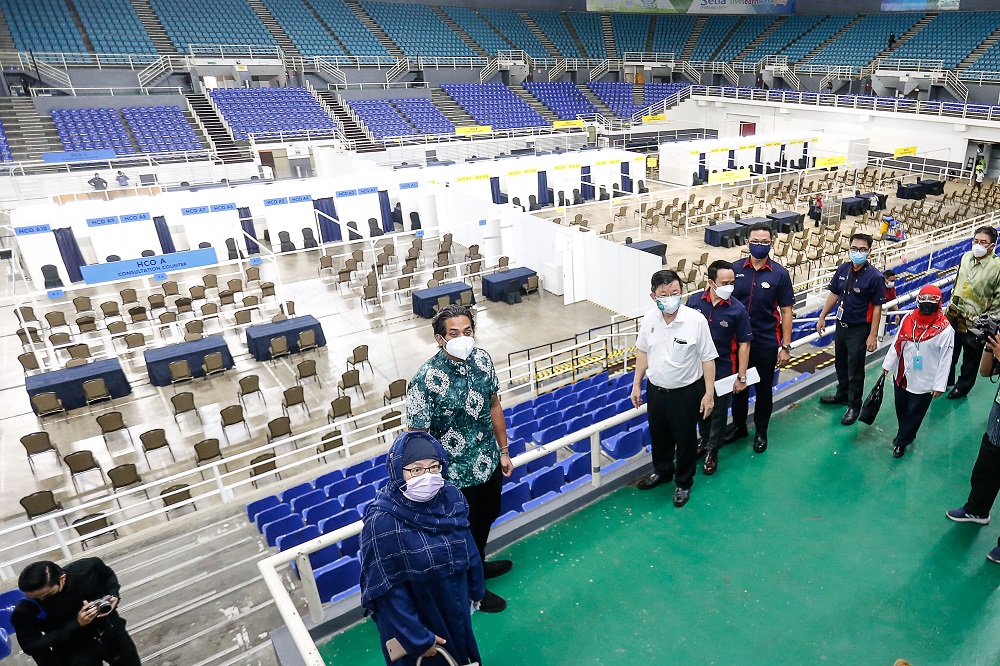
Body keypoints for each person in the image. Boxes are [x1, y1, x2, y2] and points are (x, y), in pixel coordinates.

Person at [406, 304, 512, 613]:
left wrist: (503, 451)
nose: (462, 338)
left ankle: (477, 564)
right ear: (440, 339)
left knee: (486, 517)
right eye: (454, 333)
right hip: (452, 477)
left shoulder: (482, 360)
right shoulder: (424, 379)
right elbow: (418, 438)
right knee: (459, 533)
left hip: (487, 462)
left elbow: (494, 405)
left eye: (467, 332)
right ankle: (471, 588)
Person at [360, 431, 484, 666]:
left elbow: (466, 543)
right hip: (418, 618)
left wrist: (476, 586)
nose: (427, 476)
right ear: (398, 470)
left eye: (434, 467)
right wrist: (418, 639)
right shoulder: (382, 522)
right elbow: (386, 591)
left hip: (454, 604)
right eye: (416, 469)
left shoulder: (451, 497)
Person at [631, 269, 717, 507]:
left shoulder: (695, 321)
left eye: (675, 292)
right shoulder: (649, 318)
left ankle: (683, 482)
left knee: (685, 439)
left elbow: (708, 358)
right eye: (664, 294)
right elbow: (643, 351)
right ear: (653, 296)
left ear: (682, 292)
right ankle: (662, 471)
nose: (670, 298)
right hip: (656, 390)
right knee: (659, 435)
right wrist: (637, 383)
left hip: (686, 393)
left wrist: (708, 394)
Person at [729, 222, 795, 453]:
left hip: (765, 342)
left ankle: (761, 431)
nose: (759, 245)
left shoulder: (780, 275)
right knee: (738, 387)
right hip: (737, 343)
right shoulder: (734, 270)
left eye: (764, 242)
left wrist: (785, 346)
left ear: (772, 243)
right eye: (755, 242)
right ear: (747, 243)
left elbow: (786, 311)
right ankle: (738, 427)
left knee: (764, 390)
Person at [10, 558, 141, 666]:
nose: (41, 599)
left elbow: (107, 576)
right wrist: (76, 623)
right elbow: (31, 646)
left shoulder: (87, 569)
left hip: (110, 632)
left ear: (62, 579)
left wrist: (113, 595)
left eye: (47, 594)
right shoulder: (25, 609)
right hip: (73, 650)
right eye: (34, 597)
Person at [687, 260, 752, 475]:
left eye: (732, 282)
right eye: (725, 282)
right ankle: (704, 441)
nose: (730, 287)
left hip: (724, 370)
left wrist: (741, 377)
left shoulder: (738, 310)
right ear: (711, 283)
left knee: (718, 412)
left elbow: (744, 344)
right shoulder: (694, 302)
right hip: (695, 369)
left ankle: (713, 451)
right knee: (700, 409)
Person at [817, 233, 886, 425]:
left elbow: (878, 308)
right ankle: (843, 394)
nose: (857, 252)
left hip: (859, 329)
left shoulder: (875, 277)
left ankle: (854, 405)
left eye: (862, 249)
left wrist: (872, 335)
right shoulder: (843, 269)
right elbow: (834, 293)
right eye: (854, 248)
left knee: (855, 369)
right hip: (841, 326)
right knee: (841, 362)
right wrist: (823, 316)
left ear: (869, 251)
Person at [945, 331, 1000, 564]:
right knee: (985, 470)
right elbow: (986, 371)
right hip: (998, 419)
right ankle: (976, 510)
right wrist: (990, 348)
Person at [880, 285, 953, 458]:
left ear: (939, 303)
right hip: (903, 374)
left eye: (932, 301)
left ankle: (901, 442)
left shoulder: (945, 329)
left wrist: (939, 385)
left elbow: (946, 359)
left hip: (925, 380)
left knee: (915, 413)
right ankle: (907, 433)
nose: (927, 304)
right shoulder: (908, 318)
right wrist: (887, 365)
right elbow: (897, 342)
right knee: (901, 408)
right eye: (924, 300)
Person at [945, 226, 1000, 399]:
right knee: (949, 352)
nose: (978, 245)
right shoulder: (966, 257)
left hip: (976, 323)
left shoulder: (997, 267)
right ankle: (946, 379)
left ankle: (963, 387)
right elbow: (957, 283)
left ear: (992, 245)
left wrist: (990, 323)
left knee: (970, 358)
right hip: (954, 316)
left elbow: (999, 298)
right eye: (975, 241)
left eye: (983, 242)